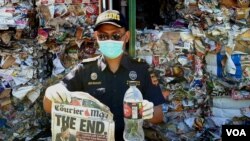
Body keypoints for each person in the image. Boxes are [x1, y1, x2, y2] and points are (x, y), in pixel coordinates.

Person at [43, 10, 166, 141]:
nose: (109, 40)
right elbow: (49, 108)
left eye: (116, 35)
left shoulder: (142, 70)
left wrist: (146, 111)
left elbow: (158, 116)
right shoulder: (84, 70)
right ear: (96, 37)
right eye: (103, 36)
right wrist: (50, 94)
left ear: (127, 36)